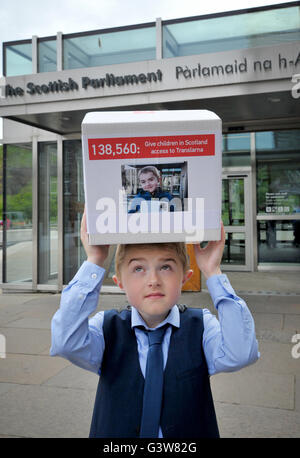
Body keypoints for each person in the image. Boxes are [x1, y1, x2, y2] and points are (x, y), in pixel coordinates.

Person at [50, 210, 259, 438]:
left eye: (166, 267)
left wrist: (212, 272)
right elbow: (66, 342)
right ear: (120, 282)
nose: (153, 281)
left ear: (185, 278)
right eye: (138, 269)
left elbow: (240, 354)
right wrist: (95, 260)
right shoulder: (106, 326)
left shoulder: (202, 325)